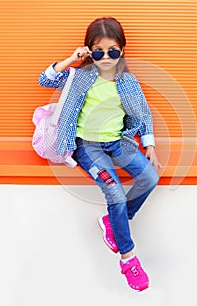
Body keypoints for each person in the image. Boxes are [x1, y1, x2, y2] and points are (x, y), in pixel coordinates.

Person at [39, 17, 161, 292]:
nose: (106, 58)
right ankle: (128, 258)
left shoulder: (128, 82)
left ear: (122, 51)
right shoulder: (80, 75)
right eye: (98, 52)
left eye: (113, 51)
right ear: (89, 51)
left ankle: (113, 221)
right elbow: (45, 80)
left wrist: (149, 144)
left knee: (150, 177)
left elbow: (142, 113)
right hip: (87, 147)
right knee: (114, 192)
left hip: (117, 143)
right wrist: (72, 58)